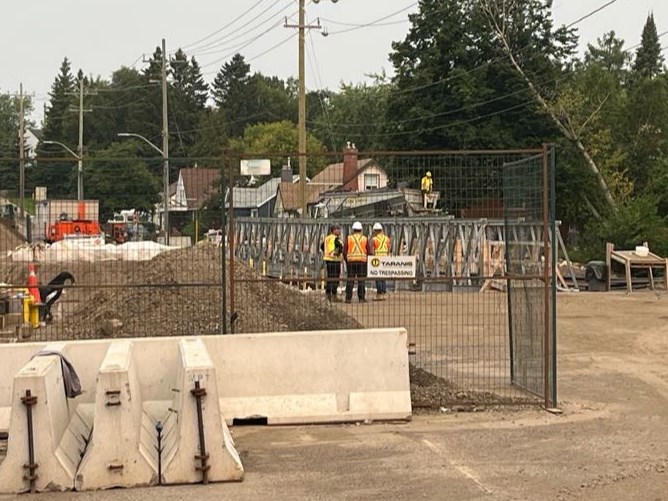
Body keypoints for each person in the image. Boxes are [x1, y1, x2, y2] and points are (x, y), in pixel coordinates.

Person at [344, 221, 370, 303]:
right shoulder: (364, 239)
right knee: (361, 280)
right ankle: (361, 298)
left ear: (353, 230)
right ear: (361, 230)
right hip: (362, 262)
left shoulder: (349, 238)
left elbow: (344, 251)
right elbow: (368, 250)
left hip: (351, 262)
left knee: (350, 280)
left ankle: (348, 298)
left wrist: (347, 260)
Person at [320, 224, 344, 302]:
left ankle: (328, 295)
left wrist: (327, 253)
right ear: (333, 230)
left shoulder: (327, 238)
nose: (339, 231)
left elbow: (322, 246)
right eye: (338, 229)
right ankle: (333, 295)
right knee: (335, 278)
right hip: (335, 260)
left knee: (330, 278)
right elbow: (339, 248)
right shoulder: (336, 239)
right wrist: (336, 254)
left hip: (328, 260)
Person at [371, 223, 391, 300]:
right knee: (383, 276)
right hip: (385, 258)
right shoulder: (387, 239)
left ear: (375, 231)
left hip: (377, 259)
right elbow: (389, 249)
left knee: (378, 276)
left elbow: (372, 251)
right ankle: (383, 292)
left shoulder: (374, 239)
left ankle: (379, 293)